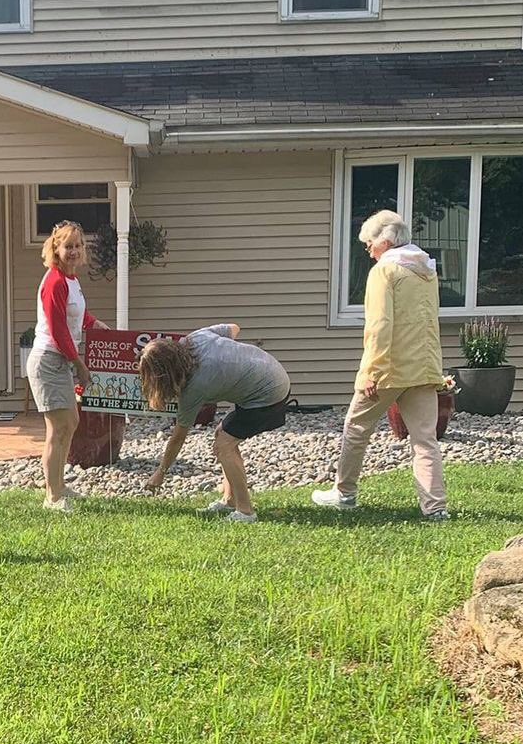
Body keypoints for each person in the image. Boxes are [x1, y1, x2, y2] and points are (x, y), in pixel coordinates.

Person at [312, 210, 448, 520]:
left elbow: (379, 325)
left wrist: (370, 371)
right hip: (425, 367)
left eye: (369, 243)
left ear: (384, 242)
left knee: (356, 427)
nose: (368, 250)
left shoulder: (384, 272)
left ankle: (344, 493)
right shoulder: (426, 271)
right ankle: (435, 508)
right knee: (425, 439)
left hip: (389, 368)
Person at [140, 324, 290, 523]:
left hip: (269, 393)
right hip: (271, 369)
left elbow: (178, 437)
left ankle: (245, 512)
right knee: (223, 436)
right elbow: (234, 328)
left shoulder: (194, 386)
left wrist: (160, 473)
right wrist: (233, 363)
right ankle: (229, 501)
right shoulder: (195, 338)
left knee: (224, 445)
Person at [26, 221, 109, 513]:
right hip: (49, 360)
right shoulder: (54, 281)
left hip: (61, 359)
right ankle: (52, 497)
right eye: (67, 246)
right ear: (55, 249)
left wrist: (95, 324)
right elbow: (59, 330)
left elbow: (78, 313)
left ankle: (59, 486)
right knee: (58, 429)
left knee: (70, 423)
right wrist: (80, 365)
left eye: (77, 246)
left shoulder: (71, 280)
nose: (73, 251)